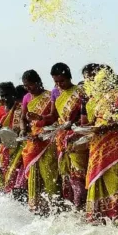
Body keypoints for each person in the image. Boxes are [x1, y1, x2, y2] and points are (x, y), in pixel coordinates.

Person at [82, 67, 118, 222]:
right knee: (97, 182)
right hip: (97, 147)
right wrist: (87, 128)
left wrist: (108, 126)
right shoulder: (94, 99)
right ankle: (98, 218)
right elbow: (92, 121)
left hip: (116, 146)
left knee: (116, 183)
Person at [49, 63, 88, 209]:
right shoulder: (55, 92)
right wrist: (39, 117)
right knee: (65, 172)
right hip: (62, 137)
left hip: (77, 137)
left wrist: (73, 124)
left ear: (69, 77)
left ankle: (81, 204)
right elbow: (53, 116)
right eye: (56, 82)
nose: (59, 84)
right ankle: (71, 203)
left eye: (62, 81)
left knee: (78, 171)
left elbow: (86, 115)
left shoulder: (80, 91)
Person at [19, 69, 59, 213]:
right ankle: (36, 207)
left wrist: (42, 123)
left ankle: (54, 205)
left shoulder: (50, 95)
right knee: (33, 173)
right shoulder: (27, 98)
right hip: (33, 140)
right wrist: (23, 130)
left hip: (48, 138)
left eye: (30, 85)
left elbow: (55, 116)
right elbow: (23, 119)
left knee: (49, 172)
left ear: (38, 82)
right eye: (25, 86)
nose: (28, 88)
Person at [0, 82, 24, 194]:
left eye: (7, 95)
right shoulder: (0, 110)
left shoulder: (21, 108)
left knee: (18, 174)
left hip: (20, 146)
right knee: (7, 174)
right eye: (2, 95)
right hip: (6, 148)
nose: (5, 98)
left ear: (13, 94)